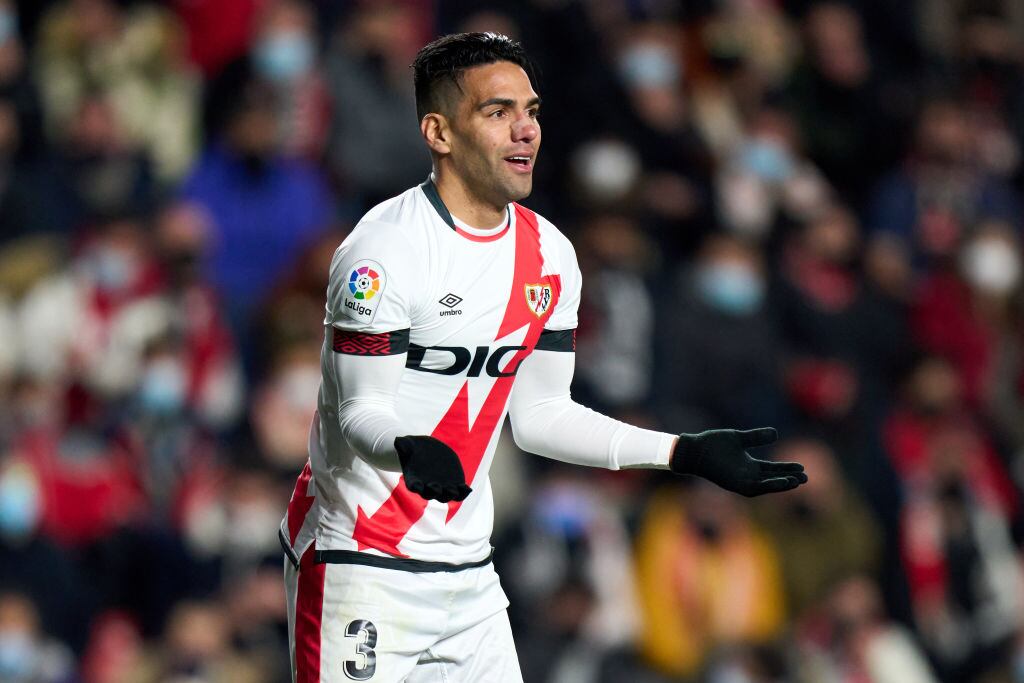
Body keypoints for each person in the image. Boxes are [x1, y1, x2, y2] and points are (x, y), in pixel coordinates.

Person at [279, 32, 807, 683]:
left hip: (468, 577)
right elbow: (360, 409)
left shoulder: (551, 254)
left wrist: (681, 452)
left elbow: (541, 416)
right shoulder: (382, 252)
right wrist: (409, 448)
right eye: (497, 112)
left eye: (530, 111)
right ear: (439, 133)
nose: (525, 130)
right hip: (359, 562)